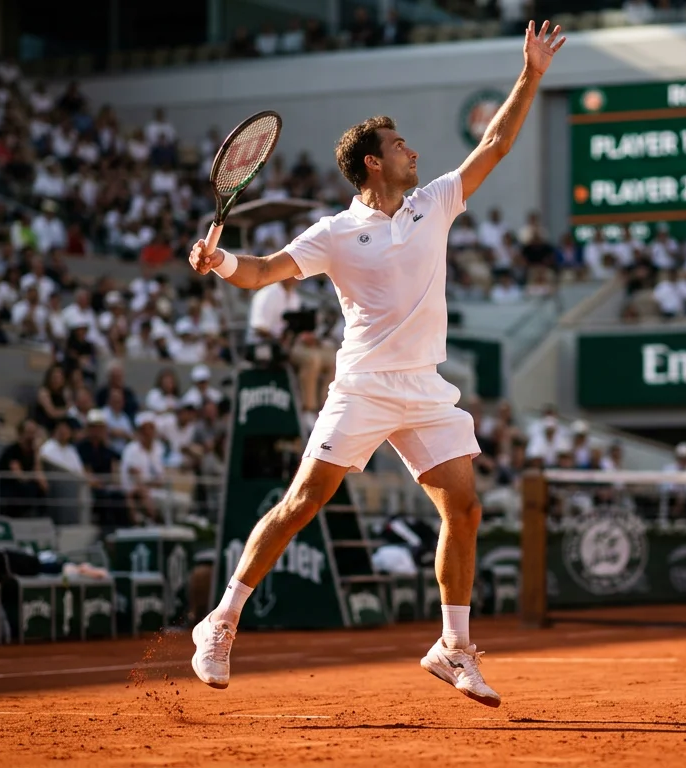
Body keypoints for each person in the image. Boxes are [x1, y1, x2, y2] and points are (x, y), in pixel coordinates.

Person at [184, 20, 566, 704]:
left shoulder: (435, 203)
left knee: (467, 508)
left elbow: (497, 142)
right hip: (362, 386)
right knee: (304, 502)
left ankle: (453, 647)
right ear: (372, 163)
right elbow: (266, 269)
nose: (412, 151)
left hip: (424, 388)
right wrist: (222, 262)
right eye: (399, 146)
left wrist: (531, 74)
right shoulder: (334, 233)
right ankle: (221, 620)